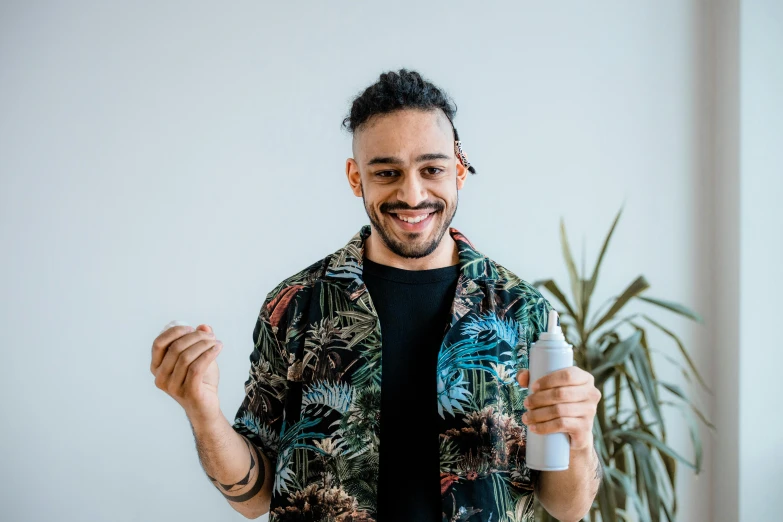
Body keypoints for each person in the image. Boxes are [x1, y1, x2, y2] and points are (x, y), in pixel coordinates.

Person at [150, 69, 603, 522]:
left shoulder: (524, 312)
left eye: (432, 169)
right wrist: (203, 412)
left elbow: (569, 507)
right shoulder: (294, 305)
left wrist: (579, 438)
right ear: (355, 177)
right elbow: (251, 498)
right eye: (387, 172)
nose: (412, 193)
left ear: (459, 171)